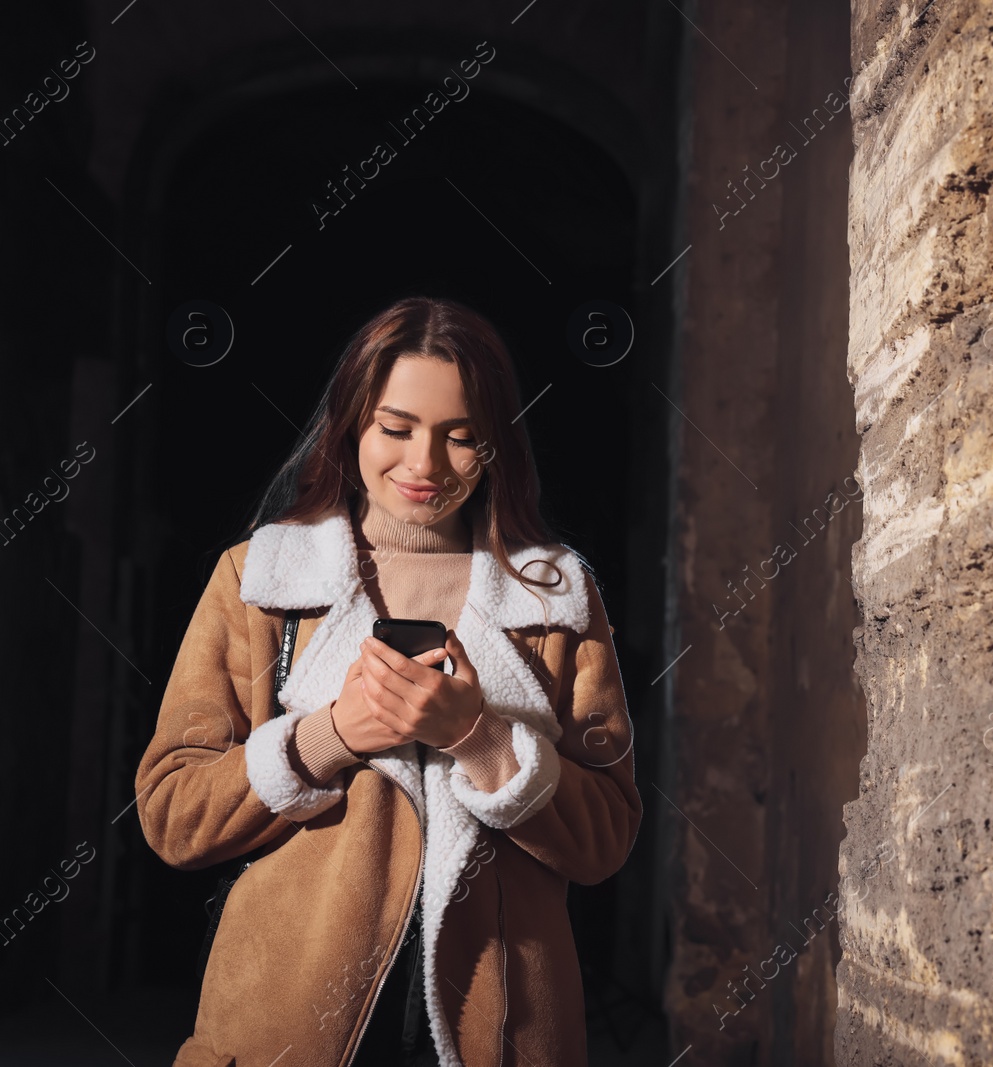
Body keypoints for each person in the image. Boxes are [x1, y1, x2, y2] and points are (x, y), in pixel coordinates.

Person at [135, 296, 642, 1067]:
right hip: (284, 1029)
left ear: (498, 445)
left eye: (462, 436)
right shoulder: (259, 580)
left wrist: (481, 739)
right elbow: (173, 812)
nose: (424, 465)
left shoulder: (557, 598)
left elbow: (607, 837)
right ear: (352, 424)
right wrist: (329, 735)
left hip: (498, 1033)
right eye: (396, 428)